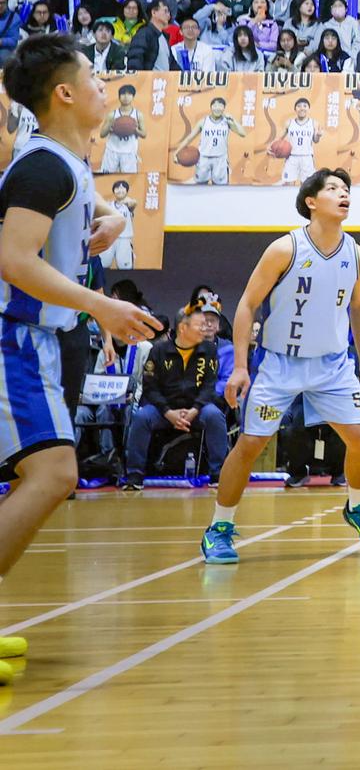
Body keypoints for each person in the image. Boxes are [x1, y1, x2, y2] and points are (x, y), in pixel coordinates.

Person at [0, 35, 161, 680]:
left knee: (43, 477)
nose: (106, 86)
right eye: (95, 78)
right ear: (64, 94)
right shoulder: (45, 166)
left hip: (41, 343)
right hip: (17, 340)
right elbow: (14, 259)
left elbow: (88, 201)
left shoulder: (64, 161)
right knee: (55, 476)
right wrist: (100, 304)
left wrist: (117, 214)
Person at [201, 168, 360, 564]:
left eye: (346, 190)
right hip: (280, 364)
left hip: (334, 366)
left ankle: (358, 506)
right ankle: (219, 527)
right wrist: (239, 366)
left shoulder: (358, 255)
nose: (344, 195)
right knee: (250, 444)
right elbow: (248, 305)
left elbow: (359, 307)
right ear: (311, 202)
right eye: (334, 189)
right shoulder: (284, 249)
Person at [121, 306, 230, 487]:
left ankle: (218, 474)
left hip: (197, 409)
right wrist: (168, 412)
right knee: (141, 417)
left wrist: (195, 409)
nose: (203, 329)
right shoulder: (158, 351)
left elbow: (209, 386)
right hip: (164, 409)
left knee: (215, 416)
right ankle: (135, 475)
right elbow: (150, 387)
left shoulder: (209, 350)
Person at [179, 97, 247, 185]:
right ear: (211, 107)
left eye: (220, 106)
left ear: (224, 108)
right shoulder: (203, 122)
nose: (217, 108)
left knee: (221, 189)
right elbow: (189, 138)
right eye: (215, 106)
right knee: (199, 186)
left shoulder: (227, 122)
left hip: (220, 159)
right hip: (204, 158)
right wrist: (177, 152)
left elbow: (243, 133)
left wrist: (233, 119)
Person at [274, 97, 321, 185]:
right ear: (295, 109)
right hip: (292, 157)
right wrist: (272, 146)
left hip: (307, 157)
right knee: (288, 184)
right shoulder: (289, 123)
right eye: (299, 106)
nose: (302, 108)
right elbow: (280, 138)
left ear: (308, 109)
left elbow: (315, 140)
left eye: (305, 106)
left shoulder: (314, 123)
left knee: (306, 186)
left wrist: (318, 135)